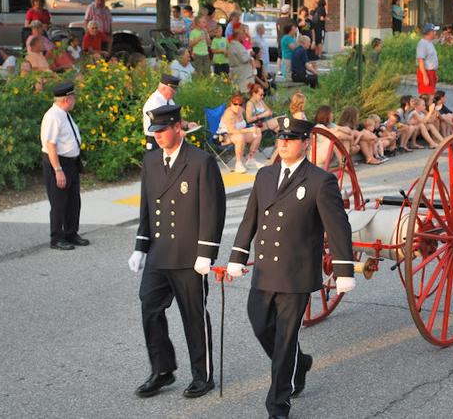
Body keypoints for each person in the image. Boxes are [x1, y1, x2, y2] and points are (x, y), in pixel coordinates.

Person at [226, 117, 355, 419]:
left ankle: (278, 404)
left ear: (306, 143)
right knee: (260, 325)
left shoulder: (320, 181)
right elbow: (250, 220)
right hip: (265, 270)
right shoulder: (265, 176)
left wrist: (344, 270)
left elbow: (338, 227)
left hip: (296, 273)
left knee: (284, 340)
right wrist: (237, 255)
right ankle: (300, 362)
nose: (283, 143)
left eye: (291, 139)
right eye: (280, 138)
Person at [128, 104, 226, 400]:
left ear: (177, 128)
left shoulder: (200, 161)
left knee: (193, 315)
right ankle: (162, 369)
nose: (157, 136)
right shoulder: (151, 161)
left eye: (162, 130)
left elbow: (213, 210)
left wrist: (206, 253)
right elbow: (147, 207)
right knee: (150, 306)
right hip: (159, 253)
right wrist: (140, 247)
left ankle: (203, 375)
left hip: (189, 255)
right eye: (154, 131)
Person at [40, 81, 89, 251]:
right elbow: (50, 145)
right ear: (67, 99)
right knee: (59, 202)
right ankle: (57, 238)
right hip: (58, 163)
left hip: (71, 163)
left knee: (73, 201)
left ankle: (71, 233)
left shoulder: (64, 114)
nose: (75, 100)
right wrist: (58, 170)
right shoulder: (53, 116)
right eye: (73, 97)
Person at [218, 93, 263, 173]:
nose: (237, 106)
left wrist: (253, 128)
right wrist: (249, 130)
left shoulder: (240, 111)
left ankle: (250, 159)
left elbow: (242, 127)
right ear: (231, 104)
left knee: (258, 132)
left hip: (238, 134)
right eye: (235, 104)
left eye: (240, 104)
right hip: (225, 137)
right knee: (240, 137)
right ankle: (238, 163)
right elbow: (231, 130)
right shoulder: (228, 114)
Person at [142, 74, 180, 152]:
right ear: (165, 88)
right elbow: (162, 124)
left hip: (167, 138)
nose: (175, 93)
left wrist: (187, 125)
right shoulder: (154, 102)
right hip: (155, 139)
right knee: (154, 162)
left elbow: (174, 117)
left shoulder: (168, 100)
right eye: (173, 91)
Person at [416, 23, 440, 104]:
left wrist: (435, 73)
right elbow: (420, 60)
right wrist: (425, 76)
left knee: (432, 95)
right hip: (426, 72)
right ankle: (424, 115)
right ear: (430, 32)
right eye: (434, 31)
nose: (435, 33)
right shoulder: (422, 43)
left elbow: (432, 60)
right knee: (426, 97)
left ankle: (428, 114)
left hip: (431, 72)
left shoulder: (430, 43)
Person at [228, 26, 254, 93]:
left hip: (238, 71)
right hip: (242, 74)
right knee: (243, 92)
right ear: (239, 35)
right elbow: (244, 59)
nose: (244, 36)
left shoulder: (233, 44)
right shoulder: (237, 46)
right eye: (243, 34)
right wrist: (250, 56)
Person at [276, 4, 295, 76]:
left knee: (280, 56)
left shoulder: (278, 20)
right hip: (288, 39)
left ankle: (278, 70)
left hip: (280, 39)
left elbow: (278, 30)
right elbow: (294, 31)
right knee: (287, 56)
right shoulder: (290, 20)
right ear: (288, 11)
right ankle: (287, 70)